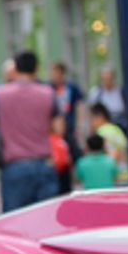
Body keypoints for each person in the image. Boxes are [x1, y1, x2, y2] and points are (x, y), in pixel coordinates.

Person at [0, 50, 64, 212]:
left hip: (13, 166)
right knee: (46, 220)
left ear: (16, 69)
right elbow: (59, 129)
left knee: (14, 224)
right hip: (44, 164)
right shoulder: (48, 93)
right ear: (36, 69)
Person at [48, 61, 85, 194]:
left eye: (56, 73)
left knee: (71, 156)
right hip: (53, 132)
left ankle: (72, 182)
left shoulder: (71, 88)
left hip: (69, 128)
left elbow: (79, 105)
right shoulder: (48, 88)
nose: (53, 76)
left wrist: (80, 126)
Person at [87, 103, 128, 185]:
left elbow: (113, 155)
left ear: (100, 117)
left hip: (116, 178)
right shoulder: (116, 129)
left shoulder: (103, 132)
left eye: (91, 119)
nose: (91, 123)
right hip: (126, 174)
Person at [88, 65, 128, 134]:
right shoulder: (95, 93)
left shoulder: (121, 92)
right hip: (103, 128)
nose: (107, 81)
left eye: (109, 78)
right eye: (105, 79)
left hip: (121, 127)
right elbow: (92, 113)